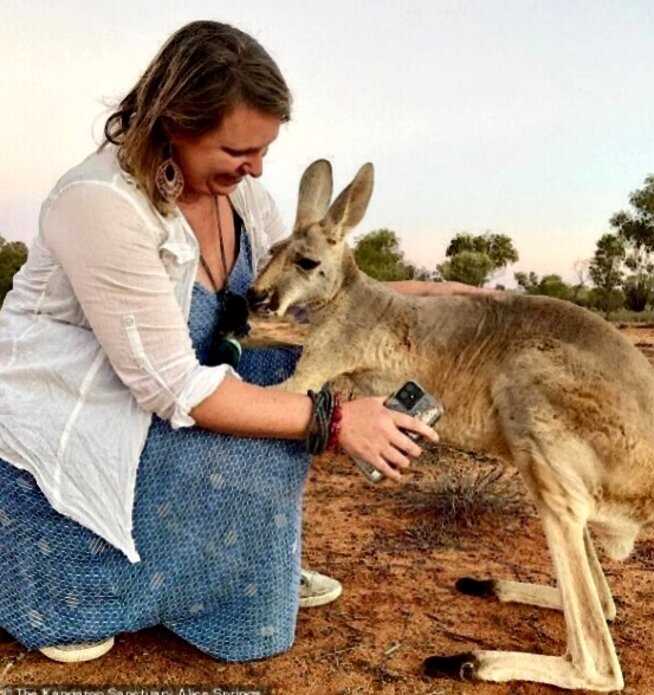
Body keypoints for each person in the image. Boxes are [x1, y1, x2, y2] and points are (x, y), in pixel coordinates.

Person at [0, 20, 483, 665]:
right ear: (174, 120)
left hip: (177, 398)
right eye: (237, 150)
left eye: (263, 151)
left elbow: (310, 290)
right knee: (289, 420)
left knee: (295, 370)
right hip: (87, 424)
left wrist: (426, 295)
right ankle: (86, 588)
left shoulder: (242, 195)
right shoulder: (100, 204)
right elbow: (174, 387)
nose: (255, 168)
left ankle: (246, 560)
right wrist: (336, 424)